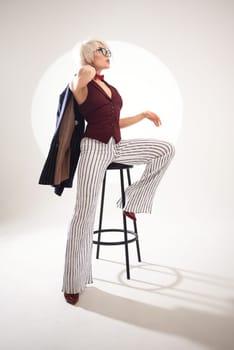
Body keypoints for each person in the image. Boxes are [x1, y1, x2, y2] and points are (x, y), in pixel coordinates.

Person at [61, 39, 175, 305]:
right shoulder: (83, 80)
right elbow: (77, 79)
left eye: (108, 51)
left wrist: (142, 115)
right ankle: (72, 282)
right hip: (94, 148)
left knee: (164, 149)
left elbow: (114, 121)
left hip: (115, 145)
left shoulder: (108, 86)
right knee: (84, 213)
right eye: (103, 51)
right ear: (90, 56)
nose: (109, 55)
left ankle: (130, 201)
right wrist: (85, 67)